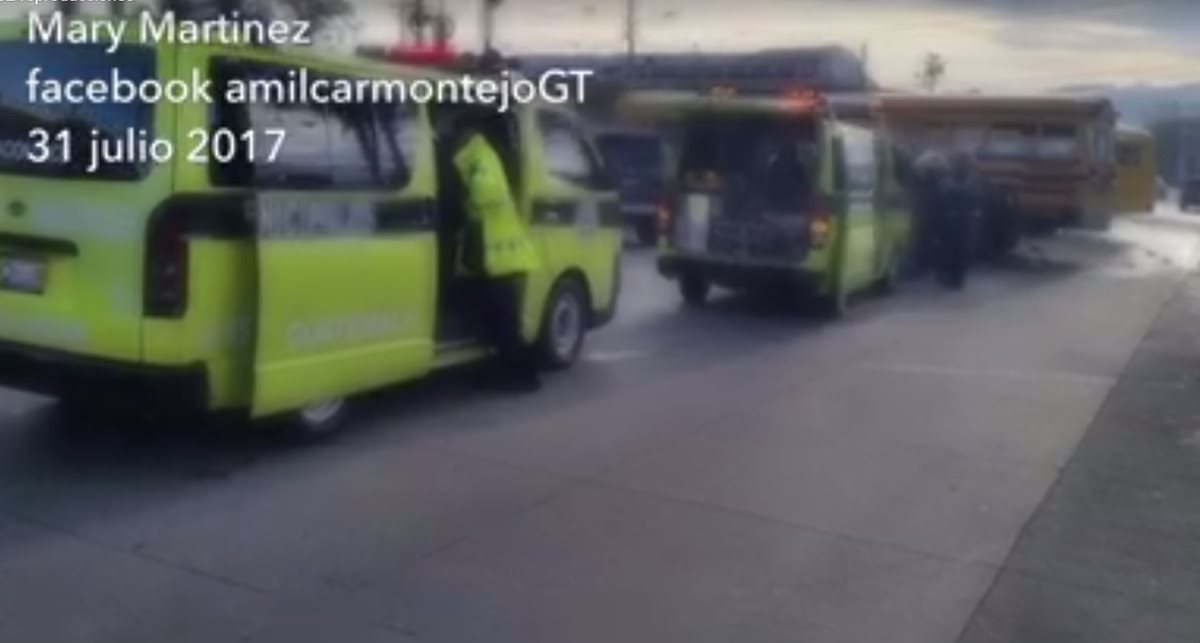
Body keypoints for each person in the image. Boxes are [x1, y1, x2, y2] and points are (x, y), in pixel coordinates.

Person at [448, 112, 542, 391]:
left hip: (499, 257)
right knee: (498, 319)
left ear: (466, 135)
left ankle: (524, 377)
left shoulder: (479, 157)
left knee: (505, 324)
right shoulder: (480, 155)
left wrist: (466, 196)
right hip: (495, 258)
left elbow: (487, 193)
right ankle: (513, 372)